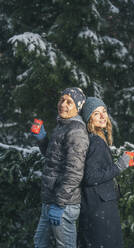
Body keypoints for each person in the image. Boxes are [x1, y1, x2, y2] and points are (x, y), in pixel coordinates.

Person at [32, 87, 89, 248]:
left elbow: (74, 173)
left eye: (69, 102)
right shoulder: (63, 125)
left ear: (78, 107)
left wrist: (59, 204)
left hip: (63, 204)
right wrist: (42, 139)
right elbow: (54, 160)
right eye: (62, 100)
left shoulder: (76, 131)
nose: (63, 104)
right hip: (50, 199)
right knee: (40, 242)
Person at [78, 97, 130, 248]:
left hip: (97, 205)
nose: (102, 116)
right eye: (96, 113)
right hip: (98, 207)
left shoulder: (96, 138)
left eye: (104, 111)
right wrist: (119, 166)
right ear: (89, 119)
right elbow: (90, 177)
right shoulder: (96, 142)